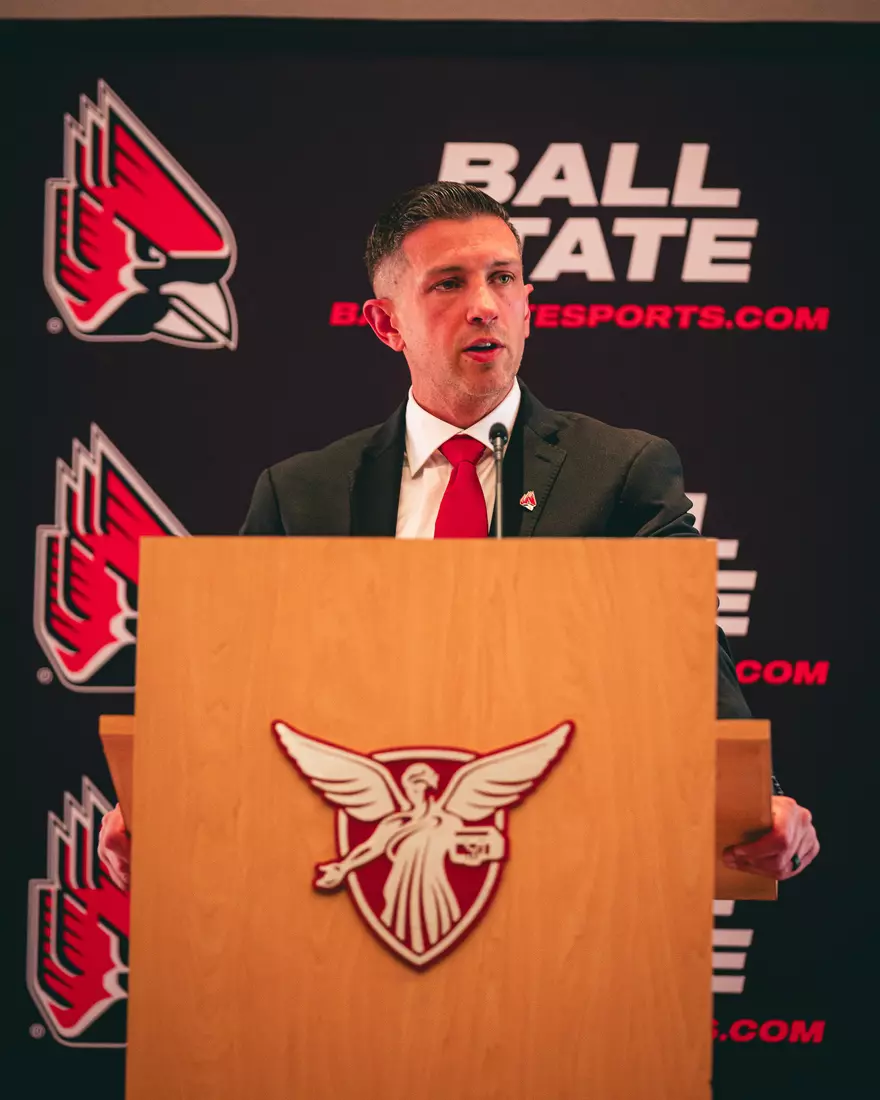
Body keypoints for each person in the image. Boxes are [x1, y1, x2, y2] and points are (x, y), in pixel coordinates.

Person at [98, 182, 818, 892]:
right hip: (353, 869)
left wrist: (761, 801)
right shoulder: (302, 493)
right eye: (449, 283)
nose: (485, 305)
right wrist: (156, 802)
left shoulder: (620, 472)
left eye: (503, 278)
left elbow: (687, 650)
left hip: (573, 872)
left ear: (527, 304)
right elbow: (230, 685)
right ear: (387, 324)